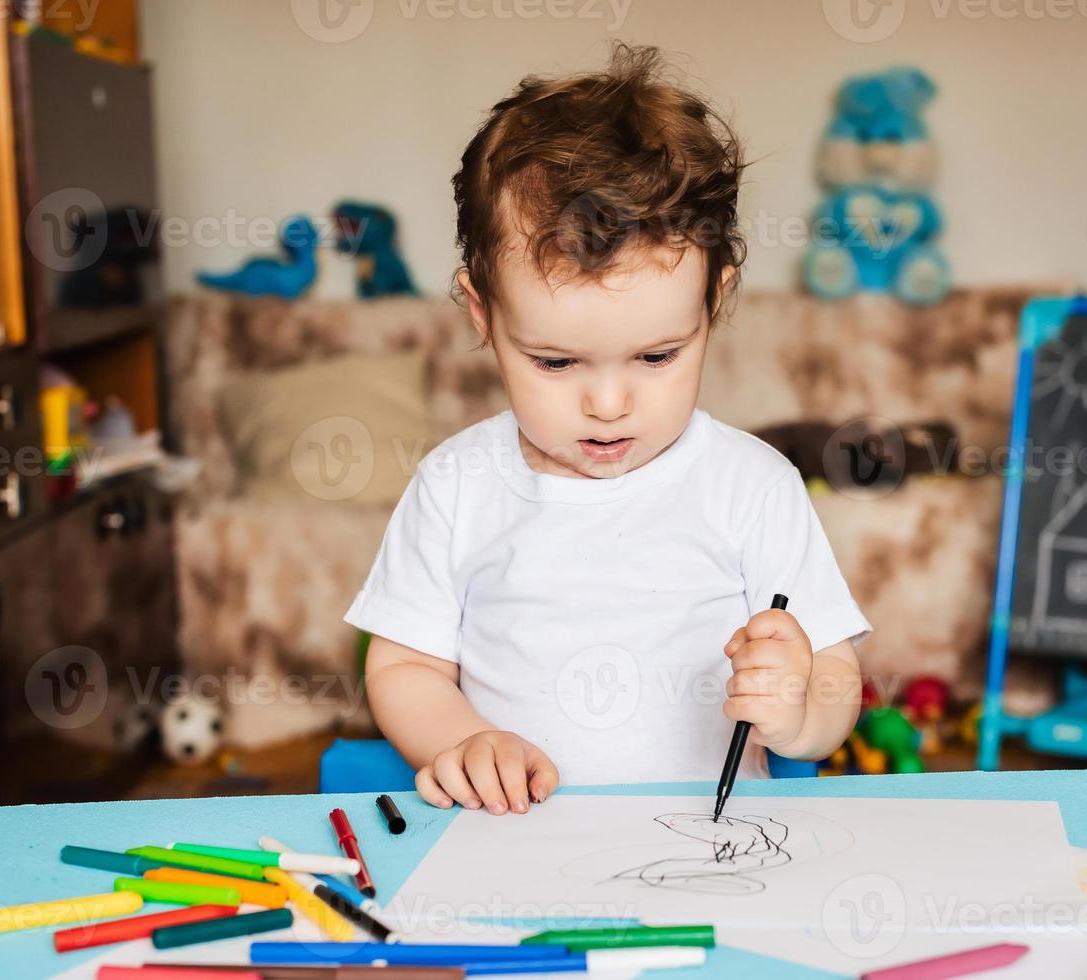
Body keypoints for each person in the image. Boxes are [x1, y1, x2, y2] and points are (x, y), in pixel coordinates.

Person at [345, 43, 870, 815]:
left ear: (712, 303)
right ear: (483, 316)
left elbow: (833, 675)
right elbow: (402, 666)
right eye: (555, 363)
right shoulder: (457, 484)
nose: (609, 404)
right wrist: (458, 740)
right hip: (516, 845)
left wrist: (798, 711)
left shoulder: (751, 485)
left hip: (712, 850)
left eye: (657, 355)